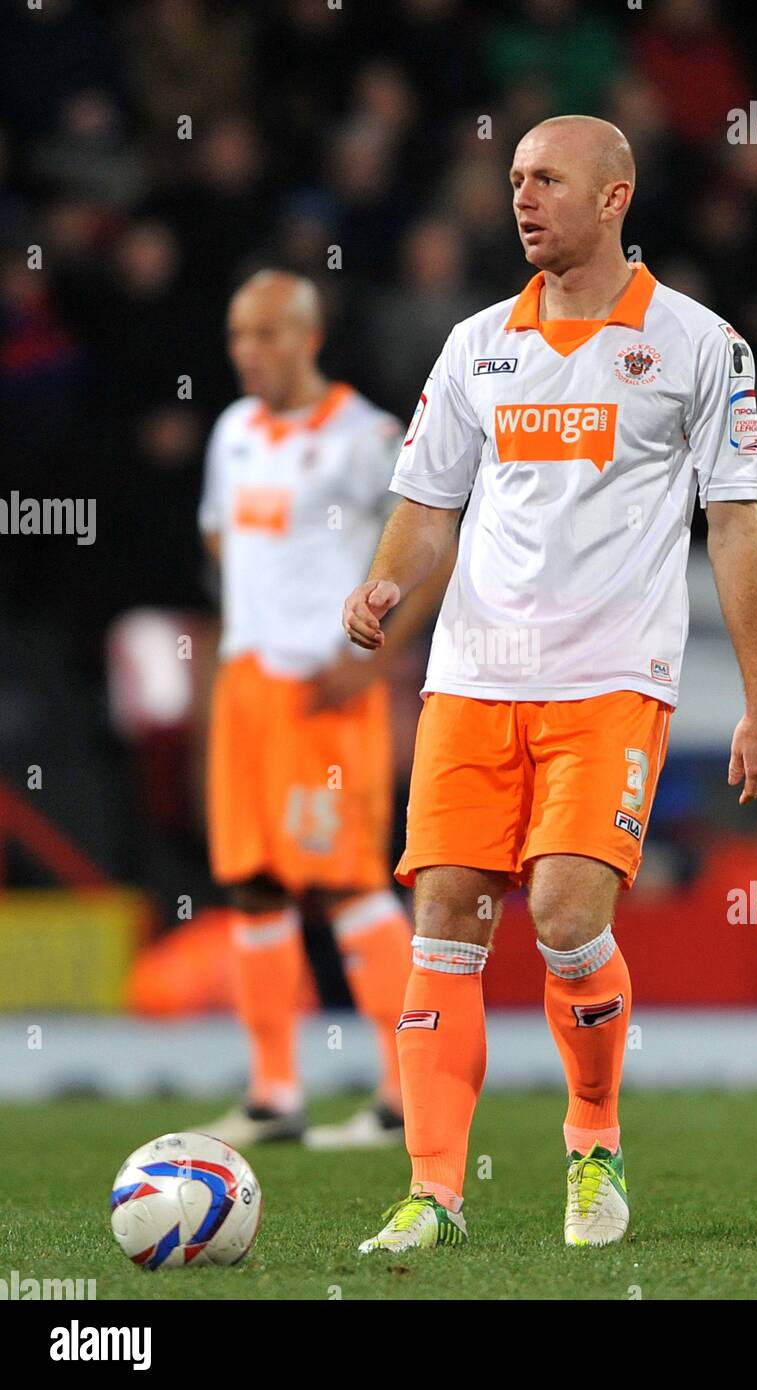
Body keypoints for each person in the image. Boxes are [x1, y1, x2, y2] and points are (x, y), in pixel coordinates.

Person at [342, 116, 757, 1251]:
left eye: (546, 179)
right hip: (471, 682)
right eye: (512, 180)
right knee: (443, 912)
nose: (522, 198)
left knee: (563, 910)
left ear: (614, 196)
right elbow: (427, 508)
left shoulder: (701, 346)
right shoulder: (475, 345)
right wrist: (387, 586)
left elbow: (734, 529)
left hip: (608, 681)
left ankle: (594, 1143)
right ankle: (432, 1191)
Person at [198, 270, 451, 1151]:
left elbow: (435, 546)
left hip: (326, 691)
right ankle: (274, 1094)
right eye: (238, 335)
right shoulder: (230, 433)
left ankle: (401, 1093)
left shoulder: (365, 435)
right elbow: (220, 535)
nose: (249, 353)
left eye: (267, 334)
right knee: (253, 884)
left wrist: (375, 661)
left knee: (343, 880)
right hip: (248, 689)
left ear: (309, 337)